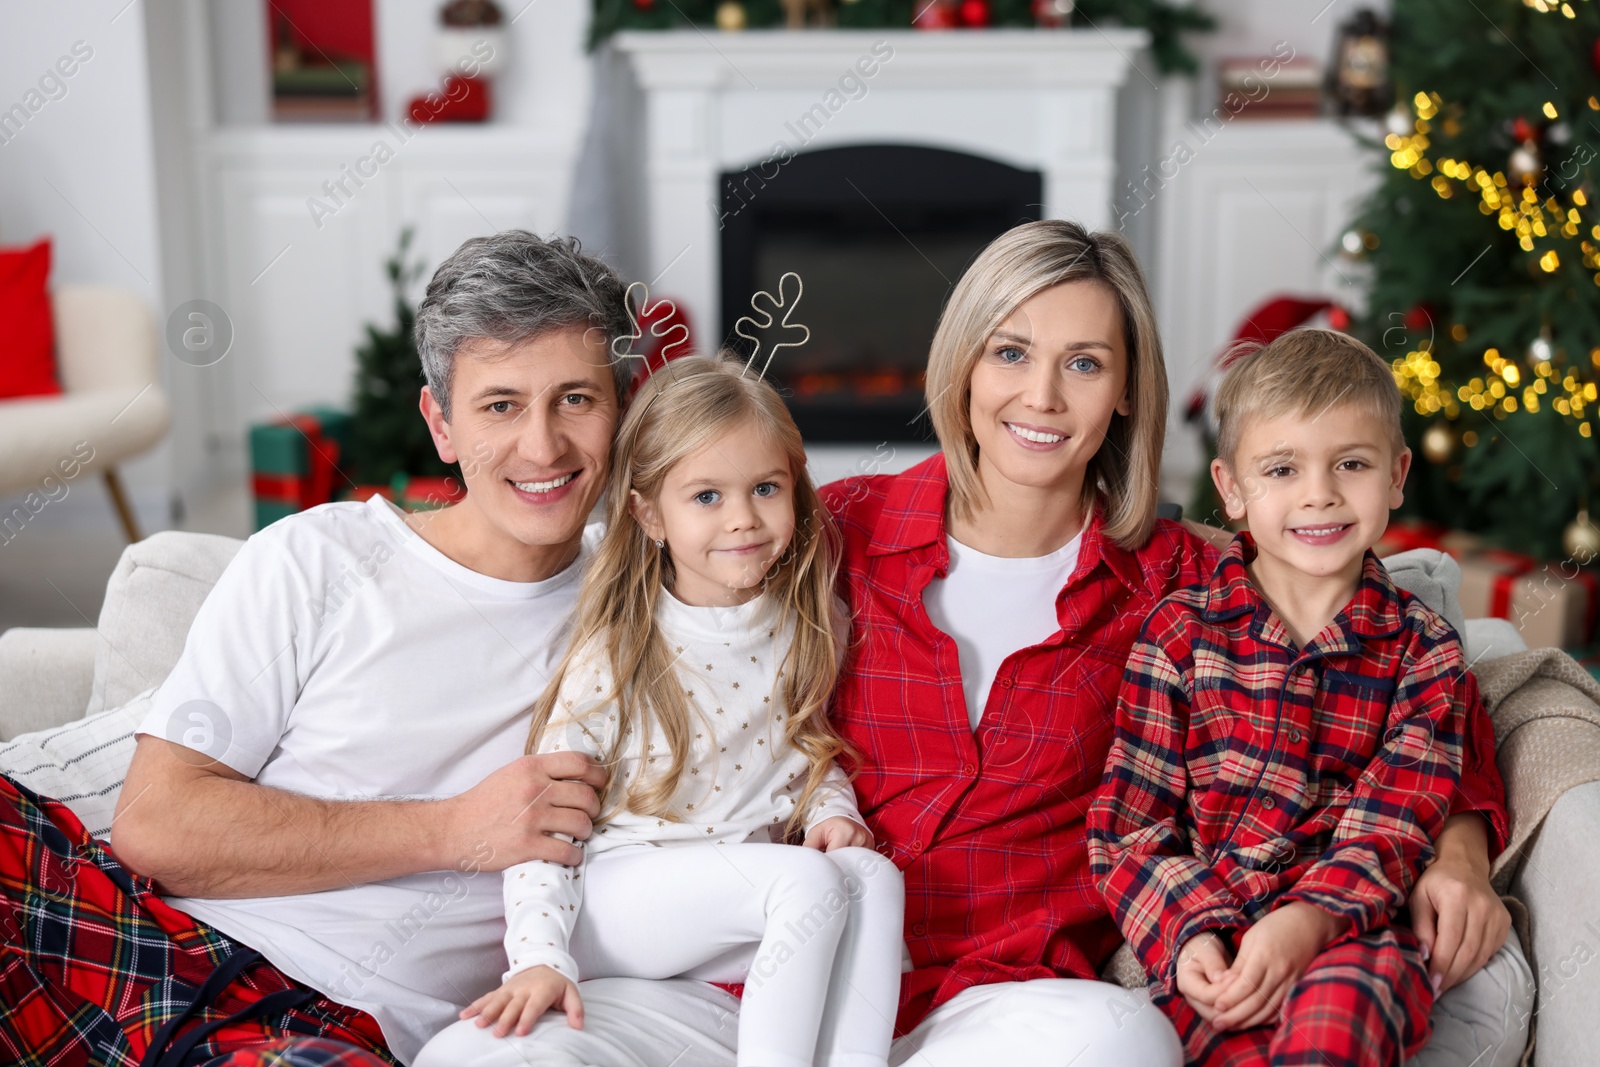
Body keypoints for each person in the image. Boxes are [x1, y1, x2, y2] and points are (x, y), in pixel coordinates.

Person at [417, 220, 1524, 1067]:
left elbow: (1406, 658)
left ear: (1126, 387)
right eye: (1010, 351)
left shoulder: (1183, 580)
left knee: (1122, 1046)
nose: (1039, 395)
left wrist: (1461, 843)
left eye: (1085, 362)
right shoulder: (826, 528)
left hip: (992, 1004)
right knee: (477, 1055)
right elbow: (639, 558)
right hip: (762, 990)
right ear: (963, 364)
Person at [0, 231, 634, 1066]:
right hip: (137, 936)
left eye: (576, 399)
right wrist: (453, 829)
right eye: (501, 405)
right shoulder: (315, 557)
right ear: (440, 423)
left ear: (623, 410)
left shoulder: (647, 608)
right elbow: (154, 827)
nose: (544, 446)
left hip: (317, 1027)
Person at [452, 356, 904, 1067]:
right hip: (616, 901)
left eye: (765, 488)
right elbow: (544, 827)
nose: (744, 519)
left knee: (871, 874)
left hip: (733, 902)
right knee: (805, 878)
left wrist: (829, 814)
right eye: (706, 496)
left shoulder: (808, 624)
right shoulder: (619, 654)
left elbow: (806, 756)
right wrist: (539, 957)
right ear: (648, 512)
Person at [1087, 328, 1510, 1066]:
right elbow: (1130, 825)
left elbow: (1397, 821)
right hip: (1216, 931)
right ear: (1231, 488)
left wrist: (1309, 921)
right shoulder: (1179, 636)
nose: (1319, 492)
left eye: (1351, 463)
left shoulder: (1425, 650)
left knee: (1332, 1032)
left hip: (1354, 934)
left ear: (1398, 473)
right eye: (1282, 468)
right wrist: (1190, 934)